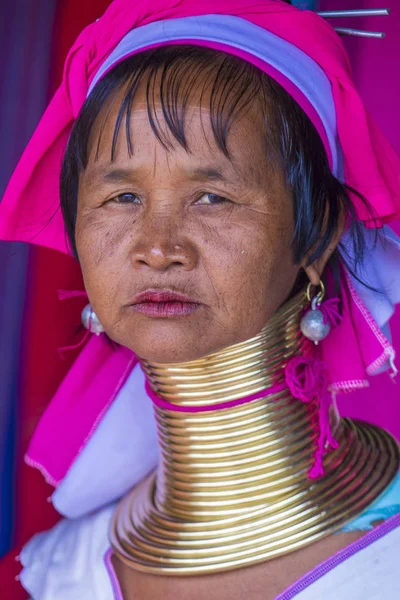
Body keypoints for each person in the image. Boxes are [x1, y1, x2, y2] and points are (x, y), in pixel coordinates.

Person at [1, 1, 400, 598]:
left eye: (212, 197)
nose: (157, 249)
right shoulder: (51, 576)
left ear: (316, 235)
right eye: (122, 198)